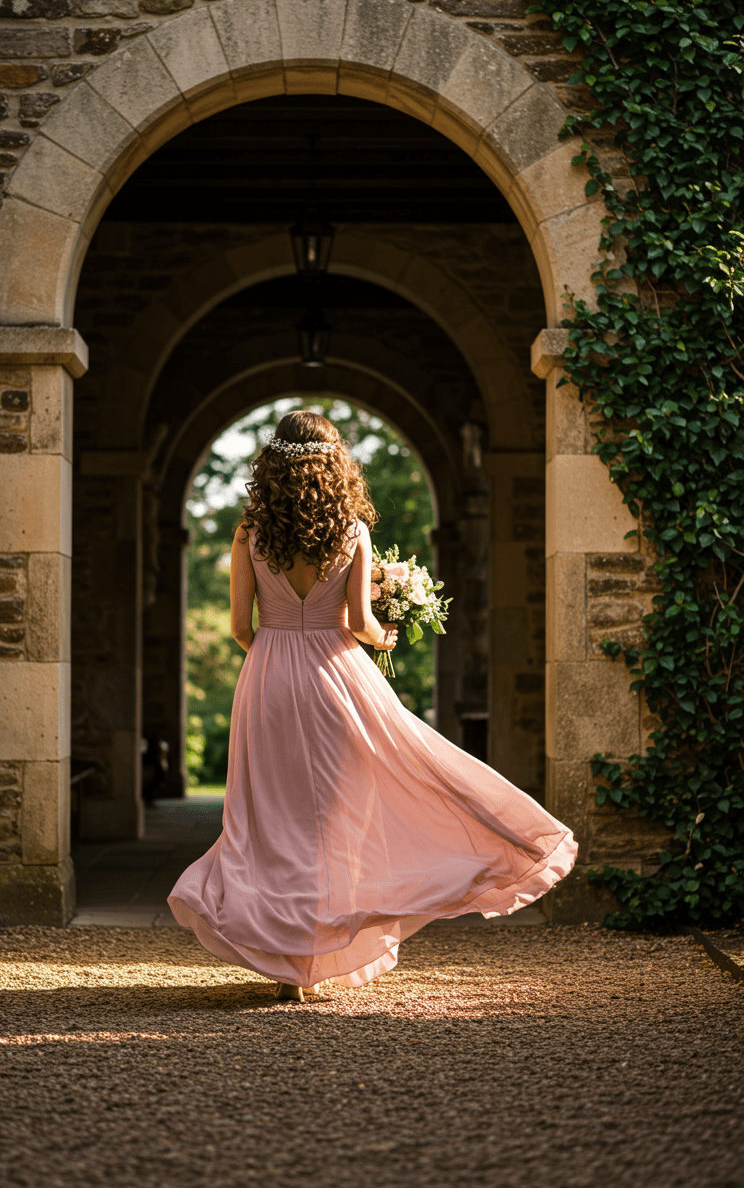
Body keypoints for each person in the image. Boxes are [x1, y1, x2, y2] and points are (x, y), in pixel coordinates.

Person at [168, 411, 577, 1001]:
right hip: (338, 676)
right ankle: (317, 953)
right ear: (336, 464)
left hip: (269, 678)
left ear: (271, 465)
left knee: (273, 821)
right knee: (334, 818)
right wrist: (388, 633)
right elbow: (359, 623)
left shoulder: (249, 532)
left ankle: (289, 965)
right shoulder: (351, 531)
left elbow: (240, 627)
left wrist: (277, 650)